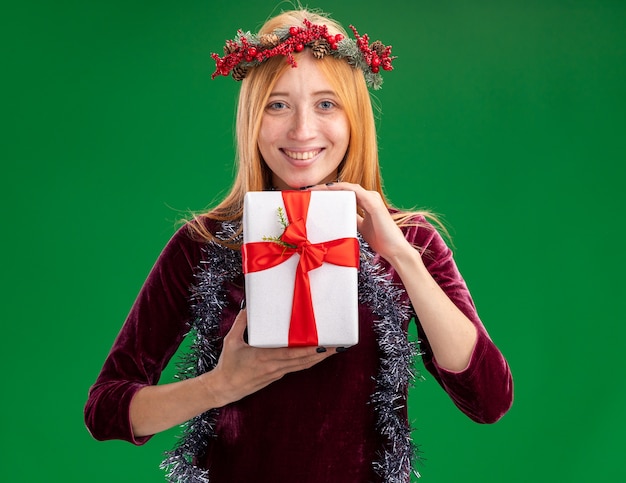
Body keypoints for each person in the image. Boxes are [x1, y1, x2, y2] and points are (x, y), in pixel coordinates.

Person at [84, 8, 513, 483]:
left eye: (326, 104)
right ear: (252, 116)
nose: (302, 131)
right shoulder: (203, 243)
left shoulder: (410, 241)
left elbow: (488, 398)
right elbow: (106, 409)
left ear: (355, 118)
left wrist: (400, 256)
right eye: (278, 104)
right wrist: (219, 386)